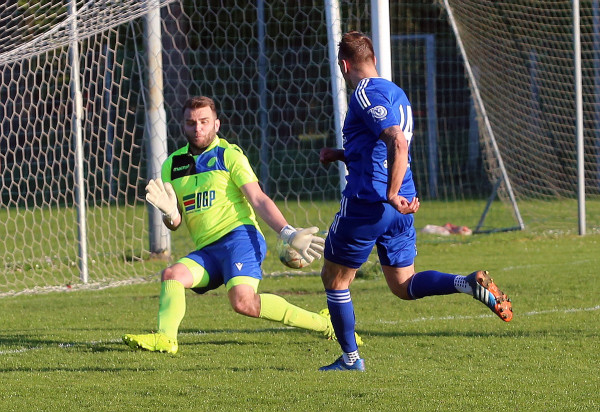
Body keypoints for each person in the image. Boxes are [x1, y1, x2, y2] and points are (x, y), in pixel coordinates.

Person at [318, 31, 512, 372]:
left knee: (335, 279)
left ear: (344, 66)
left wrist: (390, 194)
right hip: (403, 204)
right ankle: (466, 283)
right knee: (404, 285)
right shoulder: (397, 93)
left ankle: (350, 360)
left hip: (371, 202)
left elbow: (397, 142)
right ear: (373, 59)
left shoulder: (363, 92)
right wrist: (341, 154)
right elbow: (379, 148)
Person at [123, 96, 356, 354]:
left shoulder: (229, 156)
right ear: (183, 125)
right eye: (191, 123)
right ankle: (166, 339)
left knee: (243, 302)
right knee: (171, 275)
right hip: (208, 250)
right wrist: (168, 212)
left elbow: (258, 199)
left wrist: (288, 233)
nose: (198, 128)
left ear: (216, 124)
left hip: (240, 239)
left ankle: (327, 324)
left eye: (204, 121)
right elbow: (175, 223)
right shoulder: (172, 165)